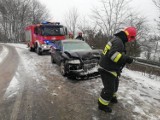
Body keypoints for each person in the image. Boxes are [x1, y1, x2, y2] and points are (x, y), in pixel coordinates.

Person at [98, 26, 137, 113]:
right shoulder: (119, 42)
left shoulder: (118, 39)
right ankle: (102, 105)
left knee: (115, 84)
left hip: (110, 67)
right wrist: (126, 58)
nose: (131, 40)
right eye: (132, 38)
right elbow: (113, 56)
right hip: (106, 68)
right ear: (130, 36)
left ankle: (112, 97)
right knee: (109, 89)